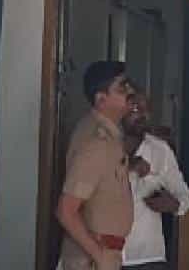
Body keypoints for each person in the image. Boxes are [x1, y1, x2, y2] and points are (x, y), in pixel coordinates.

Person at [57, 61, 135, 270]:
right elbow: (66, 211)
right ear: (101, 99)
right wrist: (100, 256)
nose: (131, 92)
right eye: (122, 88)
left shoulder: (110, 137)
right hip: (93, 257)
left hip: (101, 253)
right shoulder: (97, 142)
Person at [121, 93, 189, 270]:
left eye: (147, 110)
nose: (143, 115)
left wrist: (174, 204)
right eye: (136, 109)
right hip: (104, 254)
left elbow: (184, 195)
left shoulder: (161, 150)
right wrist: (128, 166)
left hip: (148, 256)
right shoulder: (103, 146)